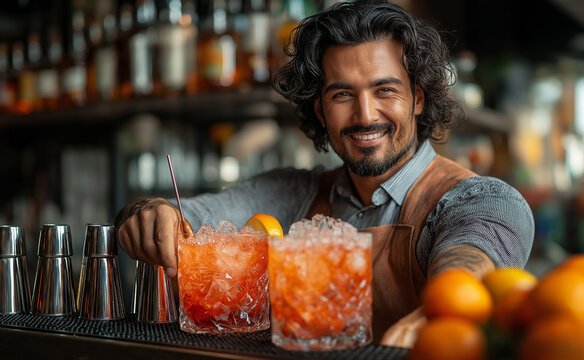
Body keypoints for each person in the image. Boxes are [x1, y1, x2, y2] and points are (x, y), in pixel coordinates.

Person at [116, 0, 534, 347]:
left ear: (418, 99)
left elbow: (471, 264)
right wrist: (149, 214)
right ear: (320, 109)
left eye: (384, 90)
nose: (365, 114)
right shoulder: (292, 193)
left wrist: (437, 314)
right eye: (342, 94)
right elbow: (187, 217)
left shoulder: (482, 200)